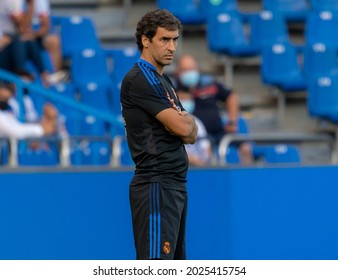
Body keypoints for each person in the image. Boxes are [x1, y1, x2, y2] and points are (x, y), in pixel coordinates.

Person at [120, 9, 198, 260]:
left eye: (175, 40)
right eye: (165, 39)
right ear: (146, 40)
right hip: (156, 185)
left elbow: (191, 132)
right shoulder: (141, 78)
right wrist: (182, 122)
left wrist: (183, 123)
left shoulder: (163, 80)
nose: (172, 47)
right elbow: (184, 128)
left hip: (174, 186)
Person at [175, 54, 253, 165]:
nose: (190, 73)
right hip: (194, 138)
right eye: (186, 70)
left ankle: (247, 178)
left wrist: (232, 121)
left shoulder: (209, 84)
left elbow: (231, 97)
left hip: (218, 132)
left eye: (192, 69)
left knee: (245, 148)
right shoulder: (173, 89)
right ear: (178, 72)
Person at [177, 90, 213, 166]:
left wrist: (204, 163)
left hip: (201, 165)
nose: (186, 101)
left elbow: (206, 147)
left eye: (188, 99)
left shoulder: (197, 121)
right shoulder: (173, 122)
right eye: (183, 99)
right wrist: (195, 162)